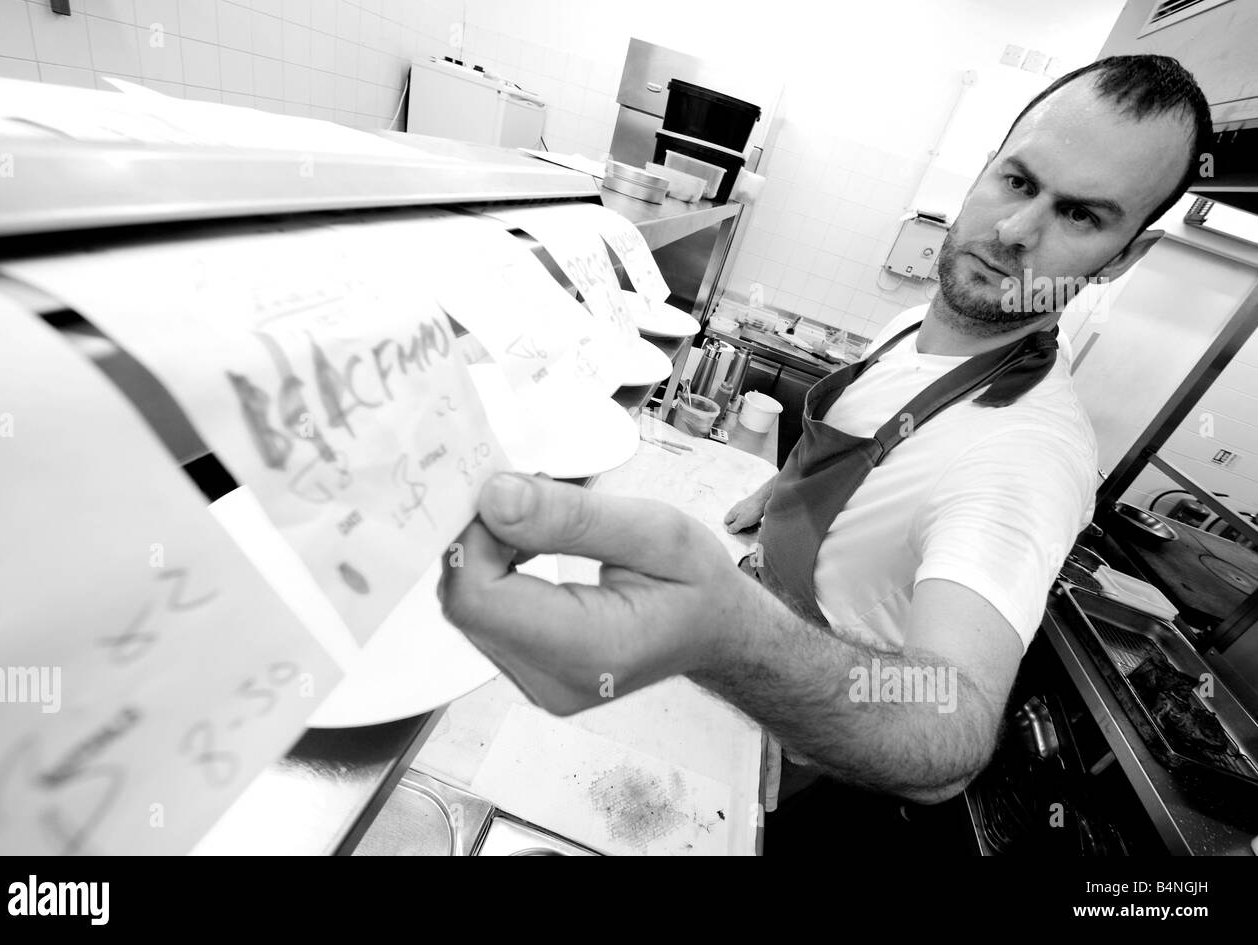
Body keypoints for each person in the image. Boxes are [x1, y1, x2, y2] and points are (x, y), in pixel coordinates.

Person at [439, 55, 1212, 816]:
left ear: (1126, 256)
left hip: (791, 737)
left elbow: (948, 719)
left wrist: (727, 636)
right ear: (983, 169)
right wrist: (781, 490)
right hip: (736, 626)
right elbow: (873, 435)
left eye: (1081, 214)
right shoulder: (931, 320)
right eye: (1018, 180)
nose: (1015, 231)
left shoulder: (1028, 455)